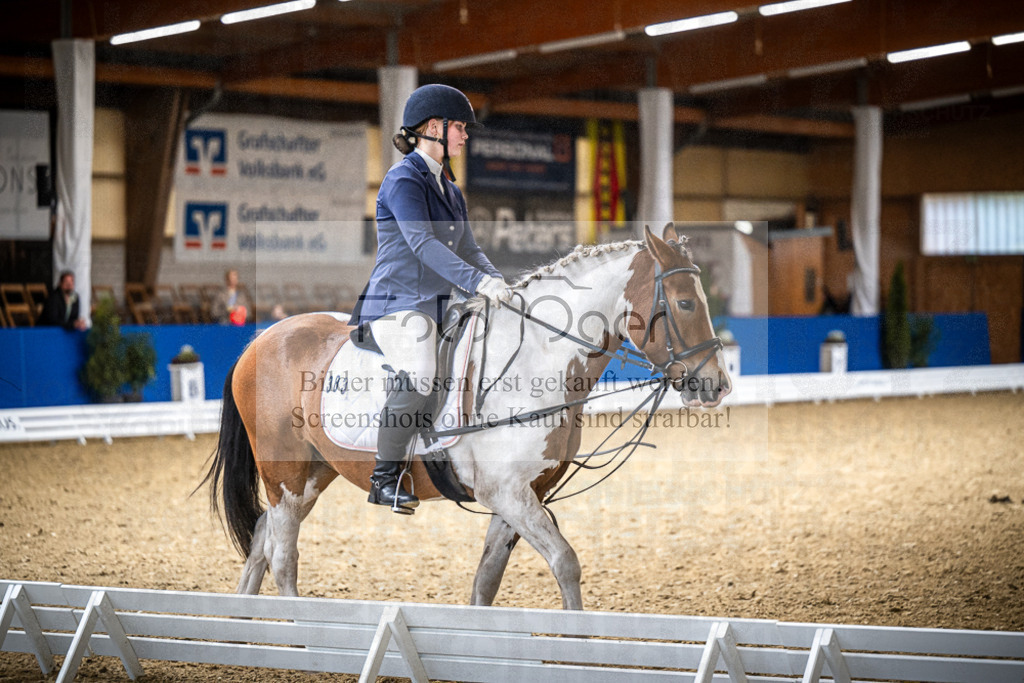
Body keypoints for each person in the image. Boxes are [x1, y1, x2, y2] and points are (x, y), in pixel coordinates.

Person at [349, 83, 512, 510]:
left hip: (441, 304)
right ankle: (384, 479)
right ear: (435, 128)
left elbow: (470, 249)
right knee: (421, 370)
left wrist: (499, 283)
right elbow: (423, 244)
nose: (465, 136)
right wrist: (477, 284)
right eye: (460, 127)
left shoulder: (451, 190)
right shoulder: (402, 179)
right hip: (398, 303)